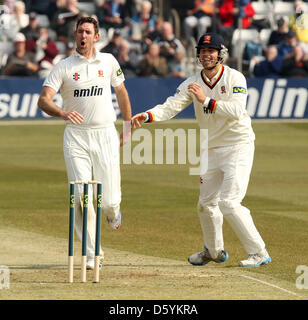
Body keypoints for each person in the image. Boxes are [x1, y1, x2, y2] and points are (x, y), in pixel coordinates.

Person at [131, 33, 271, 268]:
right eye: (203, 51)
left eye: (211, 51)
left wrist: (205, 101)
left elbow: (238, 111)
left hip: (238, 144)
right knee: (206, 204)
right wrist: (147, 116)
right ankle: (213, 251)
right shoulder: (192, 82)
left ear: (220, 54)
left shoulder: (235, 77)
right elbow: (170, 107)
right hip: (211, 147)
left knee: (229, 202)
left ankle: (259, 252)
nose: (206, 55)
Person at [37, 16, 132, 269]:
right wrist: (62, 112)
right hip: (76, 137)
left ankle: (113, 213)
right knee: (81, 196)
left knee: (109, 201)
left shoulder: (109, 61)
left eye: (87, 32)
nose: (83, 36)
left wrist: (128, 124)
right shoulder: (64, 66)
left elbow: (121, 91)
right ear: (75, 35)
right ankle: (93, 254)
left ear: (96, 36)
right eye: (79, 31)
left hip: (105, 134)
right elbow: (44, 100)